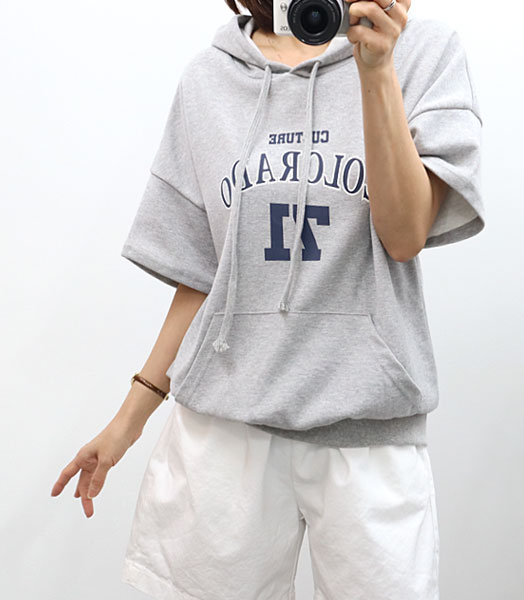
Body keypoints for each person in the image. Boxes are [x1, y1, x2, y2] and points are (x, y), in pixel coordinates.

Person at [51, 0, 484, 598]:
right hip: (223, 434)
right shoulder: (210, 78)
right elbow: (204, 276)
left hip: (367, 431)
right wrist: (128, 421)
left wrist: (377, 71)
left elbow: (405, 235)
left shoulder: (420, 51)